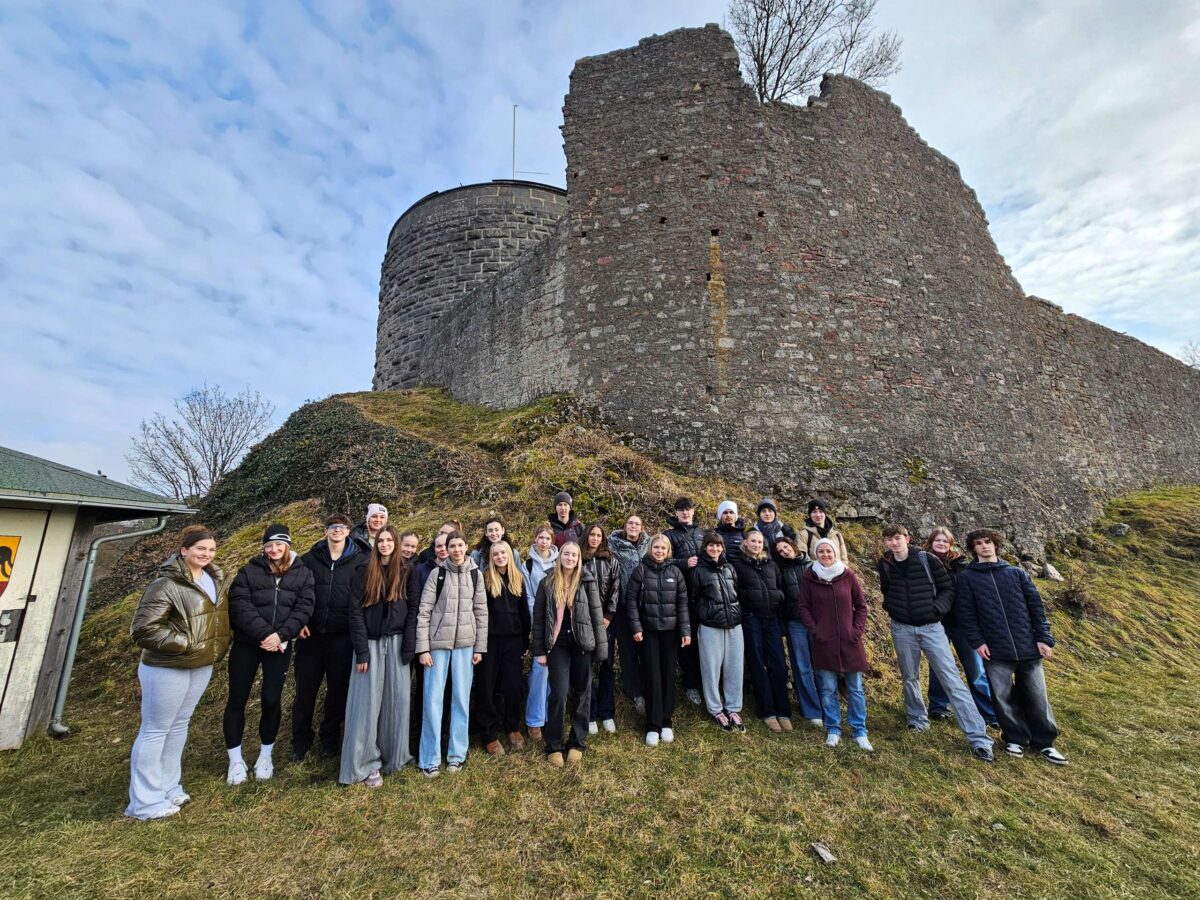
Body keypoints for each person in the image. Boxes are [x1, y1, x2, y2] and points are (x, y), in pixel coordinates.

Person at [126, 525, 231, 820]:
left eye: (211, 550)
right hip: (167, 666)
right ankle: (144, 802)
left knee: (178, 725)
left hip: (201, 664)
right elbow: (143, 629)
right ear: (184, 551)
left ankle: (169, 785)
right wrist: (187, 644)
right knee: (155, 729)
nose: (206, 554)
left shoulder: (214, 578)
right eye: (200, 549)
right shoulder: (165, 584)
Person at [878, 524, 995, 762]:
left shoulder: (926, 559)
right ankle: (917, 719)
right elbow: (886, 589)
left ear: (907, 538)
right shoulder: (886, 563)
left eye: (897, 538)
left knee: (951, 678)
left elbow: (947, 588)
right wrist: (892, 608)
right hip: (901, 628)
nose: (894, 542)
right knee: (909, 676)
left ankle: (979, 739)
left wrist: (936, 609)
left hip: (931, 627)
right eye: (889, 539)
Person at [955, 529, 1068, 765]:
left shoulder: (1017, 574)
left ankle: (1045, 742)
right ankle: (1014, 737)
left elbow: (1036, 607)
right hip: (995, 650)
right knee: (1002, 698)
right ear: (973, 549)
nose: (984, 546)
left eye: (988, 542)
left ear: (996, 545)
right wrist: (977, 642)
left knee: (1037, 696)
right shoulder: (967, 577)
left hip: (1027, 646)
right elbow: (966, 614)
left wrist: (1044, 638)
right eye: (979, 543)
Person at [224, 524, 315, 784]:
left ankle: (266, 754)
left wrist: (281, 635)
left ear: (288, 545)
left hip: (280, 646)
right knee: (237, 699)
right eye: (269, 545)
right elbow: (240, 605)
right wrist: (265, 634)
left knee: (271, 699)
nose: (274, 550)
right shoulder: (249, 571)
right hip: (248, 644)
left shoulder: (302, 573)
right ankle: (235, 759)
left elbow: (305, 607)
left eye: (279, 544)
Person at [340, 525, 417, 786]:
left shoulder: (407, 572)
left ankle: (395, 756)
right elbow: (355, 614)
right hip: (370, 645)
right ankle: (365, 763)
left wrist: (409, 647)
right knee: (367, 705)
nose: (385, 544)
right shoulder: (363, 571)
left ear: (396, 543)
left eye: (389, 540)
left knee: (397, 702)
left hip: (396, 644)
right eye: (381, 540)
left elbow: (413, 611)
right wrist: (362, 651)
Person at [293, 514, 367, 761]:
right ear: (325, 531)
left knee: (337, 692)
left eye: (342, 527)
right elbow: (296, 594)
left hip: (342, 637)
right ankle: (300, 741)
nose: (337, 531)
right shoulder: (308, 560)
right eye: (333, 527)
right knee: (305, 692)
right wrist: (300, 620)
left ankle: (329, 740)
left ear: (349, 531)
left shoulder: (360, 561)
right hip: (311, 636)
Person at [415, 531, 487, 776]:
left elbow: (481, 613)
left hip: (466, 646)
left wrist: (479, 647)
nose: (456, 550)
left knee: (461, 701)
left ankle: (457, 755)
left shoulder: (476, 574)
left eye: (460, 545)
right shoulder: (438, 574)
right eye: (451, 546)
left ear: (466, 547)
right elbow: (424, 612)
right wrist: (423, 648)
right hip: (438, 646)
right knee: (432, 701)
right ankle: (429, 758)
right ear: (444, 549)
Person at [531, 541, 608, 767]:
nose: (570, 558)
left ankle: (577, 742)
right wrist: (539, 651)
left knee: (583, 692)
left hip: (582, 643)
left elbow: (596, 615)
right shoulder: (547, 581)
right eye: (566, 554)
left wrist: (600, 650)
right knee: (559, 693)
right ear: (560, 556)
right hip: (557, 645)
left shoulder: (587, 580)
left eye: (574, 555)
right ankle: (554, 744)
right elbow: (539, 619)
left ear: (579, 558)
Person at [799, 539, 872, 751]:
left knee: (855, 688)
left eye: (828, 551)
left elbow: (861, 606)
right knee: (827, 688)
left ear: (835, 552)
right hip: (824, 642)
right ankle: (833, 729)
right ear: (816, 554)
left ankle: (860, 731)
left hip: (850, 642)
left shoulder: (847, 575)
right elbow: (803, 607)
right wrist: (815, 630)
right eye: (820, 551)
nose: (825, 555)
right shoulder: (810, 576)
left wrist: (856, 631)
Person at [923, 527, 998, 727]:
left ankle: (989, 712)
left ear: (951, 544)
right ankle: (938, 707)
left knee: (975, 668)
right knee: (939, 666)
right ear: (931, 542)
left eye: (945, 541)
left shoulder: (961, 565)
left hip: (962, 623)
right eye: (937, 540)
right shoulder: (922, 562)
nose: (941, 544)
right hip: (936, 621)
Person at [627, 533, 692, 746]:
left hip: (671, 633)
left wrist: (685, 631)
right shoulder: (641, 571)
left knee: (668, 675)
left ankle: (666, 720)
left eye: (663, 548)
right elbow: (631, 601)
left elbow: (682, 603)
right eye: (656, 548)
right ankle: (653, 724)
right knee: (652, 675)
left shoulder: (676, 572)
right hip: (649, 632)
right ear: (650, 549)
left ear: (668, 551)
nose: (659, 551)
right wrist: (636, 627)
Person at [730, 530, 791, 732]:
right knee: (757, 664)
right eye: (752, 541)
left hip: (772, 619)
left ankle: (783, 710)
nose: (756, 544)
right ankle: (767, 711)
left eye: (759, 542)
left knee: (778, 664)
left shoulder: (771, 564)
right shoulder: (738, 565)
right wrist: (749, 598)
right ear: (745, 543)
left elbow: (781, 587)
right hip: (751, 618)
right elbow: (735, 591)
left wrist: (778, 597)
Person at [477, 541, 532, 755]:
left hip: (514, 641)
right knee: (487, 686)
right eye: (496, 554)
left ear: (510, 555)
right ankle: (489, 733)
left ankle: (511, 726)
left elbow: (524, 613)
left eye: (503, 553)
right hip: (490, 641)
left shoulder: (518, 578)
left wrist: (525, 641)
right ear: (491, 557)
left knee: (513, 686)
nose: (500, 556)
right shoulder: (485, 578)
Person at [692, 532, 745, 732]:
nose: (715, 549)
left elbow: (736, 591)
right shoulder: (698, 571)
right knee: (711, 669)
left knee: (734, 667)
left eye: (718, 546)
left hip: (734, 624)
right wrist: (705, 615)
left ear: (723, 548)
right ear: (705, 548)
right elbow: (694, 598)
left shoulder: (729, 568)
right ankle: (715, 708)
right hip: (710, 626)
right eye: (711, 546)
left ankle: (733, 708)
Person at [774, 536, 823, 726]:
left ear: (793, 546)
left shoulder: (812, 566)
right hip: (794, 622)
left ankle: (826, 703)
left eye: (785, 547)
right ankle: (811, 710)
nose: (784, 552)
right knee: (802, 666)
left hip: (816, 620)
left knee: (820, 664)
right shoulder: (780, 570)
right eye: (780, 551)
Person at [664, 497, 706, 705]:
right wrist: (684, 562)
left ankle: (705, 684)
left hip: (705, 596)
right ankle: (690, 684)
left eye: (688, 509)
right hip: (681, 595)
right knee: (686, 642)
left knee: (704, 642)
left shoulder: (703, 533)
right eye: (681, 510)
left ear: (693, 510)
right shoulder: (668, 535)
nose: (685, 513)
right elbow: (662, 559)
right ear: (676, 512)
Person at [581, 523, 622, 734]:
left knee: (606, 667)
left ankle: (607, 712)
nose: (595, 539)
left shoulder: (611, 559)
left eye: (598, 535)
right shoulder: (580, 559)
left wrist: (608, 615)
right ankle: (590, 713)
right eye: (591, 535)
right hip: (585, 621)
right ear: (586, 536)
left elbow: (616, 587)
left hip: (606, 621)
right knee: (587, 667)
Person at [608, 514, 650, 711]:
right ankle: (635, 692)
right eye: (630, 523)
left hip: (647, 606)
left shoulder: (650, 544)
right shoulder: (613, 544)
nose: (633, 526)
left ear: (641, 527)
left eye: (637, 524)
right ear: (625, 526)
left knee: (647, 649)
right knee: (627, 650)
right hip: (623, 607)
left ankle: (650, 688)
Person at [524, 522, 559, 742]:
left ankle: (548, 716)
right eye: (540, 538)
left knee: (554, 672)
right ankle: (534, 720)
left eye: (547, 538)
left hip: (558, 623)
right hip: (538, 622)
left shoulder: (559, 561)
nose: (543, 541)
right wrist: (537, 618)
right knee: (539, 669)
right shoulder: (526, 565)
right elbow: (527, 594)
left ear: (552, 541)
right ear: (535, 539)